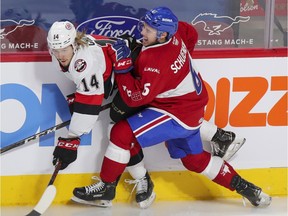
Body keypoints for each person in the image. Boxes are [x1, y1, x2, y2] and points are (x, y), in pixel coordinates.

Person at [72, 6, 272, 208]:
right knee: (193, 161)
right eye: (144, 27)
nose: (142, 32)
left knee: (120, 134)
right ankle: (249, 189)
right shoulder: (178, 32)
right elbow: (191, 34)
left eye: (148, 30)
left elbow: (134, 98)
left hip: (175, 113)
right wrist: (175, 73)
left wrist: (123, 69)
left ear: (162, 34)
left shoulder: (156, 62)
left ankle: (106, 188)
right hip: (190, 107)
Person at [46, 20, 155, 208]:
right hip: (118, 70)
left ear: (73, 44)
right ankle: (112, 187)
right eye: (55, 50)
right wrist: (83, 95)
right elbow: (93, 83)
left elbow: (90, 102)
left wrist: (72, 139)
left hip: (135, 71)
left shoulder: (83, 62)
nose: (60, 55)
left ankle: (136, 180)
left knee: (118, 130)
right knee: (118, 131)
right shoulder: (62, 54)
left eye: (64, 49)